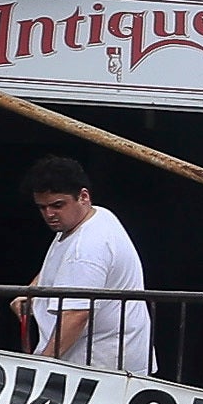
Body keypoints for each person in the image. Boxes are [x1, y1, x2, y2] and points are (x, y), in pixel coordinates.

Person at [20, 156, 153, 375]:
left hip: (99, 369)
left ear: (83, 196)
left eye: (57, 205)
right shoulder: (90, 217)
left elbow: (76, 315)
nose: (49, 214)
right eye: (42, 207)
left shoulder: (88, 247)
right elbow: (57, 264)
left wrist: (39, 367)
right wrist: (32, 292)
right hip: (108, 361)